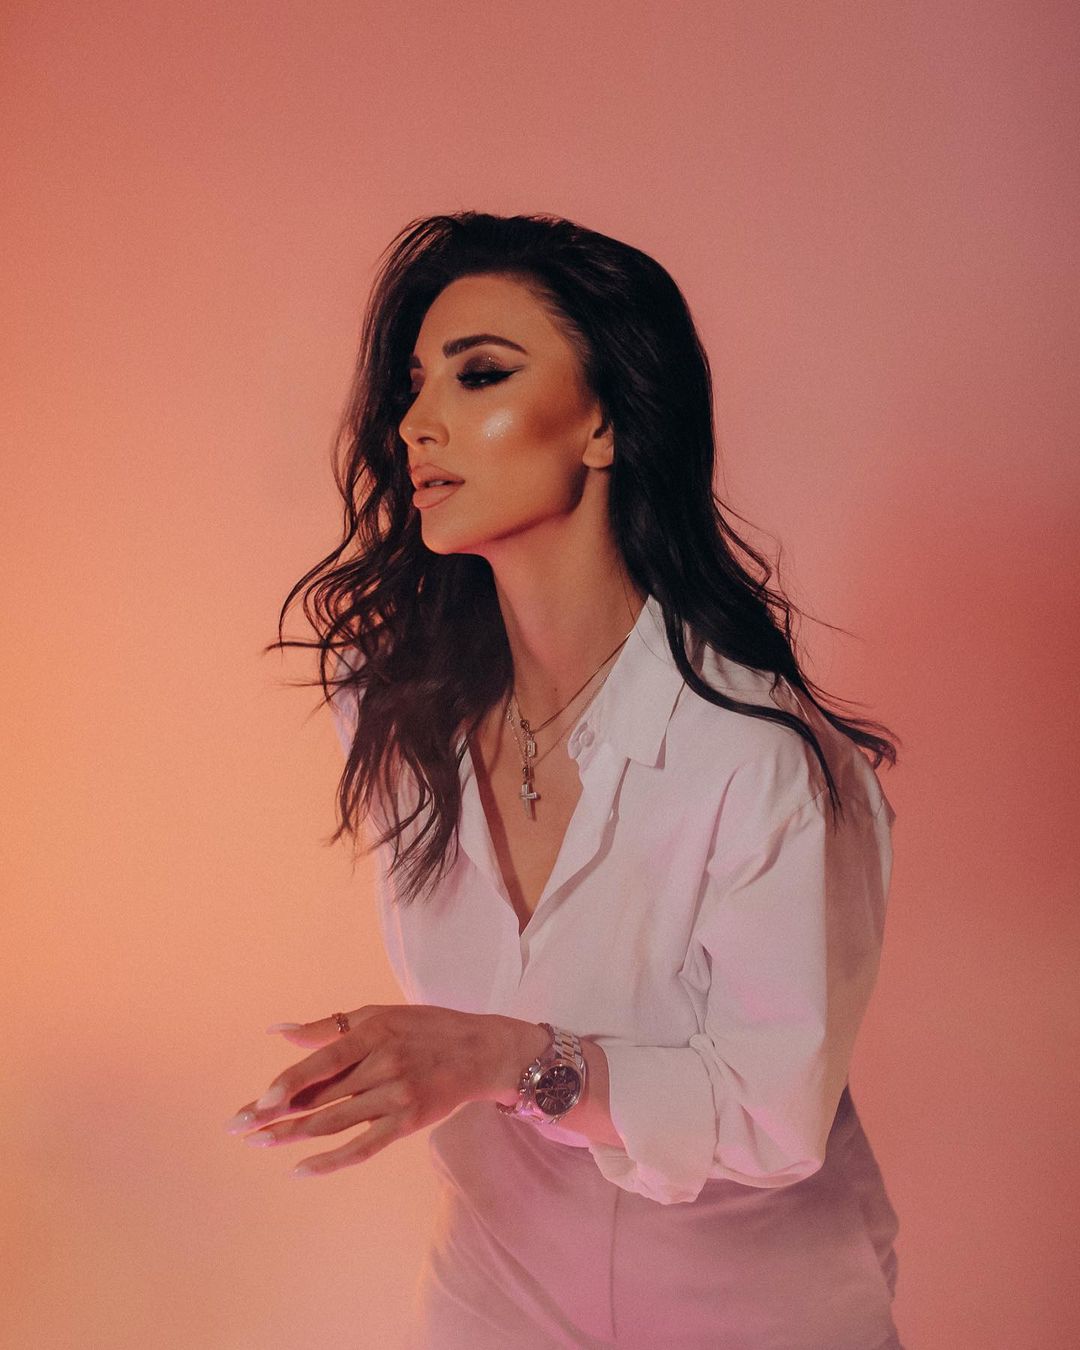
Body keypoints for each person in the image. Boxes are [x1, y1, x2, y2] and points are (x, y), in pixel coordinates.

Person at [227, 211, 905, 1349]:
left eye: (480, 373)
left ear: (603, 422)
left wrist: (499, 1057)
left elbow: (772, 1112)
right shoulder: (396, 714)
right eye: (413, 385)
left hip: (755, 1307)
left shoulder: (755, 758)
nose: (417, 423)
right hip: (498, 1288)